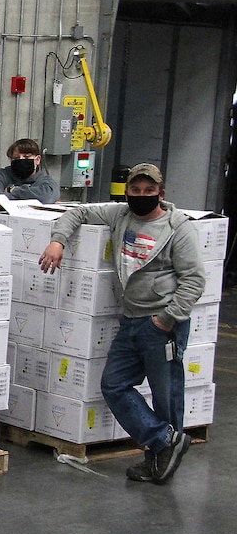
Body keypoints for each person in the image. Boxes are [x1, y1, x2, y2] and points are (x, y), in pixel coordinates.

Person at [39, 163, 205, 484]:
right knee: (114, 385)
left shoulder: (178, 228)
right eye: (135, 190)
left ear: (161, 193)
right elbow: (79, 213)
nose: (141, 196)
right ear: (126, 192)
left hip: (162, 324)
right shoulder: (120, 215)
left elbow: (195, 282)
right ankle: (164, 442)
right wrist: (58, 241)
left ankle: (158, 460)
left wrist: (164, 320)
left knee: (165, 395)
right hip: (130, 319)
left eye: (148, 191)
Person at [0, 138, 59, 203]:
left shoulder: (45, 181)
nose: (21, 160)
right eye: (16, 158)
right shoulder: (0, 175)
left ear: (37, 160)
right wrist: (33, 197)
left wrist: (13, 190)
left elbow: (47, 196)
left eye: (26, 157)